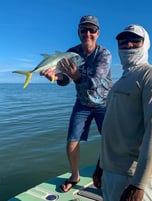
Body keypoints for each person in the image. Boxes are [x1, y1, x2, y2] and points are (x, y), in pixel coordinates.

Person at [99, 24, 152, 201]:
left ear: (146, 44)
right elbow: (113, 126)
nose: (128, 45)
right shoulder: (120, 82)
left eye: (135, 40)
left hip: (133, 176)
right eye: (123, 41)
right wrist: (100, 164)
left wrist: (138, 184)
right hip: (111, 171)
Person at [40, 15, 112, 192]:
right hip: (82, 103)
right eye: (83, 30)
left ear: (98, 33)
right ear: (78, 32)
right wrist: (56, 77)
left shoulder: (104, 54)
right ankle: (75, 176)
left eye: (92, 30)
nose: (88, 33)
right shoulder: (71, 52)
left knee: (111, 141)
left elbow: (95, 81)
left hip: (104, 103)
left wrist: (76, 76)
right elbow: (65, 80)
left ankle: (109, 174)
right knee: (72, 141)